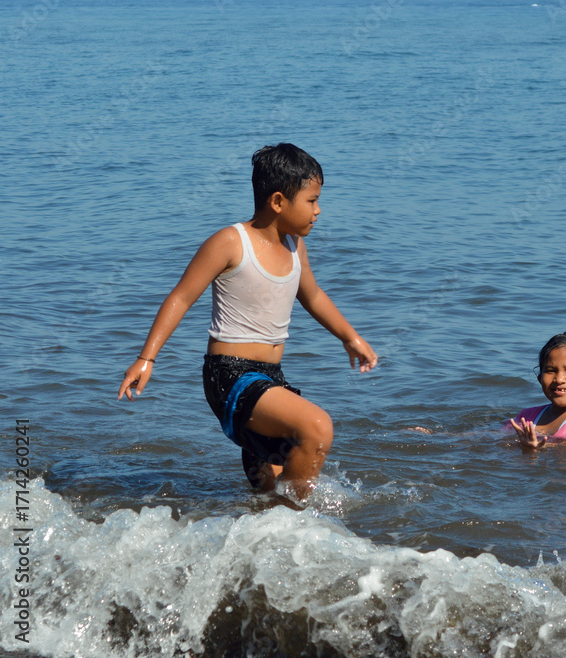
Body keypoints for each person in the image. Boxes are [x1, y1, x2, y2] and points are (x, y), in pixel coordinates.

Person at [117, 143, 377, 502]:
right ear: (278, 201)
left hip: (271, 378)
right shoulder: (230, 243)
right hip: (230, 376)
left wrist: (349, 337)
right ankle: (295, 519)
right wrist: (146, 358)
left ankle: (268, 516)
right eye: (312, 200)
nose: (318, 210)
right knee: (317, 428)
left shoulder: (294, 245)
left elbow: (313, 295)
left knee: (269, 486)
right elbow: (181, 297)